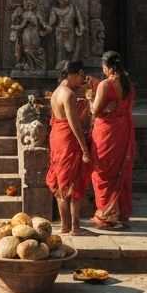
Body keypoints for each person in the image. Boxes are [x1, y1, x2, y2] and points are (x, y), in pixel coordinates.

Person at [89, 50, 136, 229]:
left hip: (107, 133)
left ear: (107, 67)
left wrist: (89, 98)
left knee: (103, 171)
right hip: (123, 131)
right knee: (120, 170)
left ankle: (107, 214)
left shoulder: (106, 85)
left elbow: (96, 110)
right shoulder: (129, 84)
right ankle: (121, 213)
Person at [45, 60, 92, 235]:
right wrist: (85, 149)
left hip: (57, 138)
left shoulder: (57, 92)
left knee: (60, 182)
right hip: (68, 140)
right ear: (76, 73)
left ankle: (65, 226)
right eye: (81, 76)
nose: (82, 79)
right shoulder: (69, 95)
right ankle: (75, 227)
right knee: (74, 182)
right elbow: (74, 124)